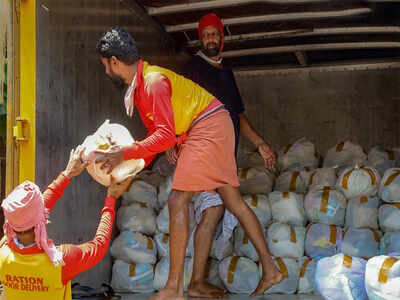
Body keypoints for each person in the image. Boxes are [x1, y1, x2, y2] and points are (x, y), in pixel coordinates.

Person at [95, 26, 283, 300]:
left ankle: (173, 289)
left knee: (177, 200)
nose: (106, 72)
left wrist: (124, 153)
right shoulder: (140, 89)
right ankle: (270, 269)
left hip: (208, 126)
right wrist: (130, 172)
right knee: (233, 201)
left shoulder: (152, 82)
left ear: (114, 61)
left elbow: (163, 136)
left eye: (105, 66)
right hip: (211, 125)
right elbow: (156, 139)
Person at [179, 12, 281, 297]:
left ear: (222, 37)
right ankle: (196, 282)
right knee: (217, 208)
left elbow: (237, 115)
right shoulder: (193, 69)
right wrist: (177, 143)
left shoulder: (226, 72)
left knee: (221, 207)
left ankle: (198, 282)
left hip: (221, 155)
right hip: (205, 151)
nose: (211, 38)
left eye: (215, 33)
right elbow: (181, 108)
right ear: (201, 38)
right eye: (206, 34)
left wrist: (260, 143)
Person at [0, 146, 133, 300]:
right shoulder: (62, 260)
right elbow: (99, 246)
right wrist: (111, 199)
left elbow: (31, 214)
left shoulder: (4, 253)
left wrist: (67, 174)